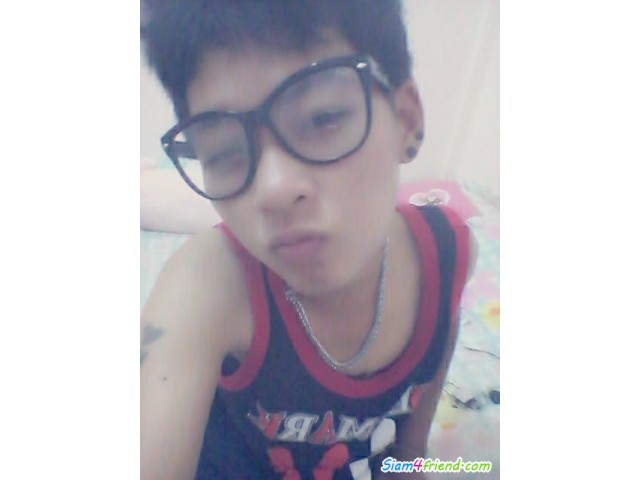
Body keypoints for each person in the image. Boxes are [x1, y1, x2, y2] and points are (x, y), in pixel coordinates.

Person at [140, 1, 477, 478]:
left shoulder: (447, 254)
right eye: (224, 152)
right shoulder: (205, 288)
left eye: (323, 119)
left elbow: (410, 455)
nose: (274, 188)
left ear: (406, 119)